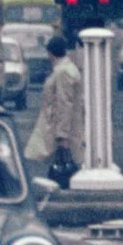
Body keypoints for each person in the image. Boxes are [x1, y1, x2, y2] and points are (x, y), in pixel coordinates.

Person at [26, 35, 83, 182]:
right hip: (65, 125)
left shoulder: (62, 72)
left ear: (50, 53)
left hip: (65, 129)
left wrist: (62, 135)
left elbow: (65, 103)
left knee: (67, 167)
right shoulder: (67, 68)